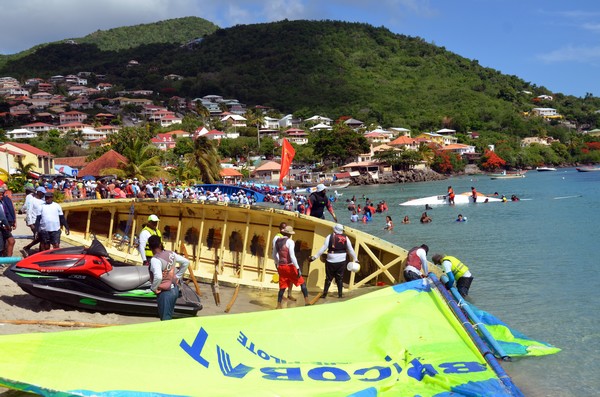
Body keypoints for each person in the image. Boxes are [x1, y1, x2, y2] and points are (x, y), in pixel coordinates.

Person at [310, 224, 358, 299]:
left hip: (330, 261)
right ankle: (340, 295)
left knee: (328, 278)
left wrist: (314, 257)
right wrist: (356, 259)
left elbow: (323, 248)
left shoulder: (330, 237)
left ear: (334, 229)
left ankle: (324, 294)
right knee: (340, 278)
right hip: (341, 261)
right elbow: (350, 249)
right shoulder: (346, 238)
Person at [148, 235, 189, 320]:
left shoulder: (155, 260)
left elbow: (158, 277)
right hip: (174, 290)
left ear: (150, 247)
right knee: (169, 316)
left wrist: (153, 288)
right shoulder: (171, 254)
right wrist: (177, 276)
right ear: (160, 244)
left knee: (165, 320)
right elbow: (186, 262)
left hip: (165, 293)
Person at [273, 226, 310, 308]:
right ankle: (307, 301)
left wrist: (277, 264)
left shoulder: (277, 241)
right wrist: (297, 268)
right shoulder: (290, 242)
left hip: (281, 266)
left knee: (282, 287)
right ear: (290, 234)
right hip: (289, 266)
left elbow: (274, 254)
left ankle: (278, 305)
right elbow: (292, 256)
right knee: (302, 283)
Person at [271, 222, 295, 301]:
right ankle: (282, 295)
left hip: (287, 261)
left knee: (290, 277)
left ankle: (289, 294)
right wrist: (277, 262)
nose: (284, 229)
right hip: (280, 261)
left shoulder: (285, 237)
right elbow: (275, 251)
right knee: (283, 279)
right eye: (283, 228)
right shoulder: (277, 238)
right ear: (280, 229)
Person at [21, 187, 46, 256]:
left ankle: (41, 252)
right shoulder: (31, 200)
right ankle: (27, 247)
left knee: (42, 238)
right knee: (39, 237)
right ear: (38, 192)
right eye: (42, 193)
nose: (43, 194)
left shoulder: (43, 201)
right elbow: (28, 212)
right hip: (34, 222)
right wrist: (31, 224)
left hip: (41, 222)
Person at [0, 186, 17, 256]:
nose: (1, 196)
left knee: (11, 241)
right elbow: (2, 217)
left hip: (4, 225)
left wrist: (13, 221)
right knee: (1, 244)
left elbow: (10, 210)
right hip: (2, 226)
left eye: (2, 194)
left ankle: (8, 260)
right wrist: (7, 225)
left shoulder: (3, 202)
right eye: (0, 194)